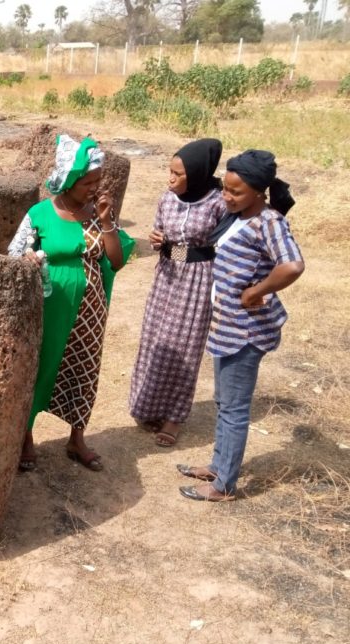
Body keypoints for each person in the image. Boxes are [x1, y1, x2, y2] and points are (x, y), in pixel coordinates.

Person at [178, 150, 304, 502]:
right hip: (227, 326)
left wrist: (256, 291)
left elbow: (292, 266)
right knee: (224, 402)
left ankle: (223, 486)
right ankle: (218, 466)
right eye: (226, 189)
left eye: (236, 192)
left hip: (246, 331)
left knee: (234, 409)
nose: (227, 197)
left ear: (259, 192)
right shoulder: (238, 217)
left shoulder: (269, 222)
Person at [7, 134, 135, 472]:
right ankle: (26, 435)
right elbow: (14, 252)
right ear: (68, 180)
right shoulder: (40, 213)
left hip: (90, 308)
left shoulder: (98, 214)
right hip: (50, 305)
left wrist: (106, 221)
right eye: (88, 182)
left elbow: (116, 261)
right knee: (42, 366)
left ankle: (77, 439)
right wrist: (29, 258)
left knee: (84, 368)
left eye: (97, 181)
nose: (95, 188)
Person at [129, 139, 228, 447]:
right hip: (166, 277)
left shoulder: (217, 203)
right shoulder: (166, 199)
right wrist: (158, 240)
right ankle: (148, 406)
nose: (170, 179)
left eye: (178, 174)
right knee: (155, 341)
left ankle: (174, 417)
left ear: (197, 174)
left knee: (186, 346)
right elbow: (160, 235)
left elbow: (222, 246)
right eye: (169, 172)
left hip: (198, 280)